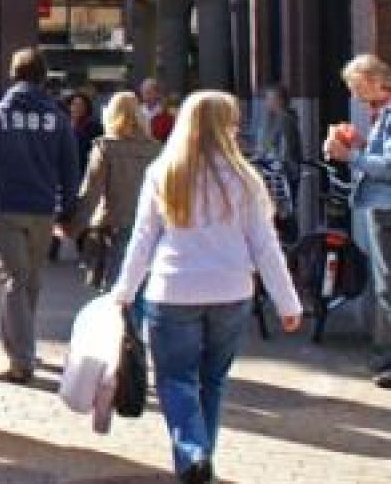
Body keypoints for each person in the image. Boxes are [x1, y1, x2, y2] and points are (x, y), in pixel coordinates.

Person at [112, 91, 302, 483]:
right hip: (232, 293)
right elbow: (265, 247)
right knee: (213, 381)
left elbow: (143, 239)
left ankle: (193, 453)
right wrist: (288, 302)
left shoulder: (163, 173)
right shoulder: (247, 180)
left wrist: (124, 291)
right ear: (227, 127)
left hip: (172, 291)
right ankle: (201, 457)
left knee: (175, 380)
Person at [0, 48, 79, 385]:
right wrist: (68, 211)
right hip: (43, 210)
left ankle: (21, 359)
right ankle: (23, 346)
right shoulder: (57, 118)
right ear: (44, 76)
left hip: (7, 208)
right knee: (29, 280)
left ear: (14, 74)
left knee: (14, 280)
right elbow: (70, 168)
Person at [323, 54, 391, 390]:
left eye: (357, 86)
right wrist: (361, 144)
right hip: (380, 205)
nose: (354, 94)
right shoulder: (380, 114)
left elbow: (390, 166)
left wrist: (348, 155)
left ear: (374, 80)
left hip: (386, 207)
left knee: (388, 285)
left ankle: (389, 359)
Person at [76, 92, 161, 287]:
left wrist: (73, 226)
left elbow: (91, 193)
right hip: (151, 227)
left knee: (114, 292)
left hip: (114, 225)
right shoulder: (158, 149)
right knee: (145, 288)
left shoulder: (105, 148)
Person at [260, 85, 305, 216]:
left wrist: (273, 164)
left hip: (282, 175)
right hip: (279, 172)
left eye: (269, 99)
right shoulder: (278, 118)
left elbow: (285, 148)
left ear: (278, 100)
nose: (266, 102)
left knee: (284, 212)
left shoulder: (284, 119)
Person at [68, 93, 104, 176]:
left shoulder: (95, 127)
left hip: (87, 171)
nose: (76, 108)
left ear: (86, 108)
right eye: (74, 104)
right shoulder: (65, 126)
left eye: (80, 105)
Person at [141, 78, 175, 142]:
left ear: (157, 94)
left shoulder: (166, 114)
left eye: (149, 93)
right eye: (144, 92)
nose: (146, 96)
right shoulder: (137, 112)